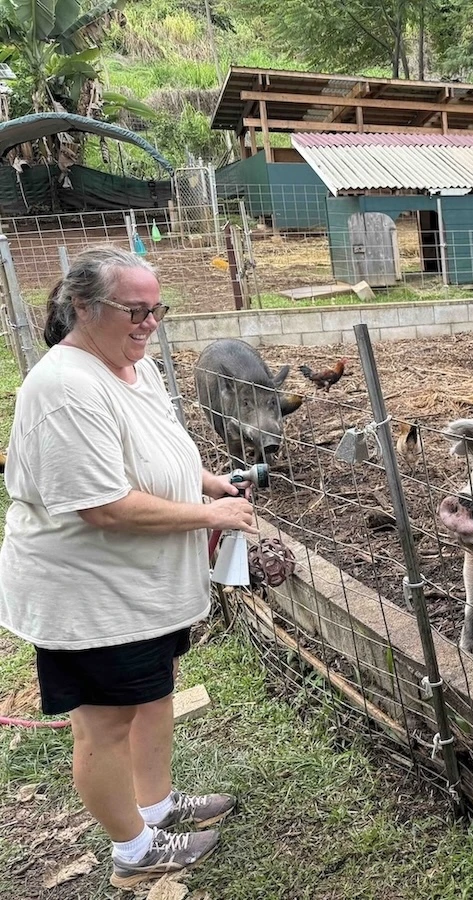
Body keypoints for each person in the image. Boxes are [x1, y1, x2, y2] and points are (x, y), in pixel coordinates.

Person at [0, 246, 257, 888]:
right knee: (105, 723)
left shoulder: (130, 367)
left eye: (156, 310)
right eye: (134, 310)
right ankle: (133, 850)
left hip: (141, 585)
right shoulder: (65, 387)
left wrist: (207, 481)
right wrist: (209, 517)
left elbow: (155, 451)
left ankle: (156, 804)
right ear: (84, 308)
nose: (148, 323)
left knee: (153, 691)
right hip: (92, 592)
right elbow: (103, 506)